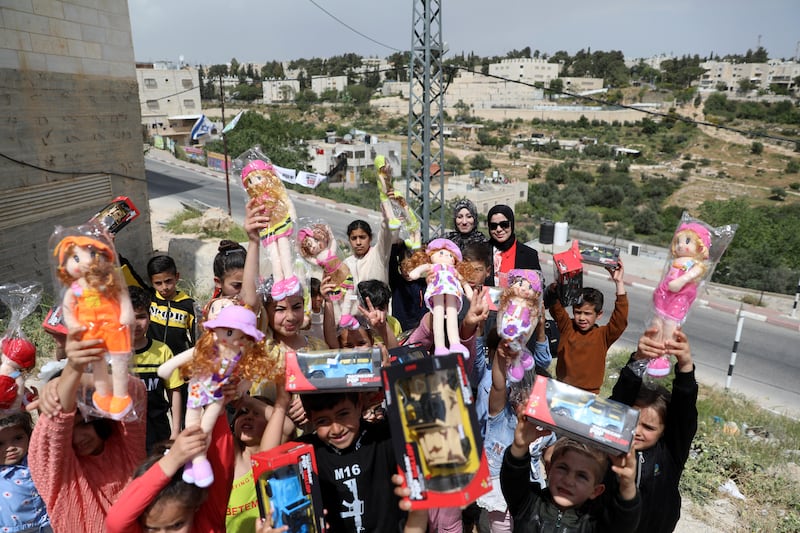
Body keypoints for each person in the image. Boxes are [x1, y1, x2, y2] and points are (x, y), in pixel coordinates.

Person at [28, 327, 147, 533]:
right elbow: (57, 423)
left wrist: (83, 380)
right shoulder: (57, 474)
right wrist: (73, 367)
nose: (76, 438)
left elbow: (135, 392)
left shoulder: (127, 450)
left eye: (83, 424)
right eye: (68, 430)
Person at [607, 327, 697, 533]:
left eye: (648, 427)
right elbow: (619, 404)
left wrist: (685, 365)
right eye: (633, 420)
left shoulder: (670, 453)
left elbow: (684, 413)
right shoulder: (611, 447)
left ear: (665, 431)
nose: (636, 431)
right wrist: (639, 359)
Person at [476, 329, 551, 532]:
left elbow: (552, 451)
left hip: (529, 494)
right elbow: (498, 386)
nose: (526, 403)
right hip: (500, 497)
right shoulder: (501, 416)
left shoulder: (544, 427)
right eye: (521, 396)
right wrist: (500, 360)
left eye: (535, 399)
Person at [105, 416, 235, 533]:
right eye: (151, 528)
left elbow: (221, 462)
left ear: (196, 508)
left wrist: (218, 405)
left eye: (177, 525)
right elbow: (115, 522)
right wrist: (172, 460)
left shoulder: (207, 521)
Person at [296, 392, 404, 532]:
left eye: (343, 414)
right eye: (323, 421)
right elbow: (262, 466)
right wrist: (281, 406)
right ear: (310, 418)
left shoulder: (384, 437)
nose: (336, 429)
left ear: (359, 405)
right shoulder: (304, 453)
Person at [500, 428, 640, 533]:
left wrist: (627, 484)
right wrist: (520, 446)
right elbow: (512, 478)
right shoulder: (528, 504)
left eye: (582, 476)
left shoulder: (594, 523)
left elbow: (624, 523)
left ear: (595, 491)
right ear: (548, 469)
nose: (569, 480)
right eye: (562, 468)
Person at [548, 261, 628, 394]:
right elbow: (556, 308)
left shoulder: (603, 336)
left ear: (599, 315)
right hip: (561, 389)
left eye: (587, 313)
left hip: (589, 394)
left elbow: (620, 320)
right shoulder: (567, 327)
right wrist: (557, 287)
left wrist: (619, 282)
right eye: (578, 312)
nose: (582, 318)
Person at [227, 393, 295, 533]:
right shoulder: (235, 458)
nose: (248, 417)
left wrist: (247, 401)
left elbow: (287, 426)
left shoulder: (271, 455)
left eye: (257, 414)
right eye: (243, 412)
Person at [128, 285, 183, 452]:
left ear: (150, 318)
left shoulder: (162, 351)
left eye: (141, 317)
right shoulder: (113, 354)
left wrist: (175, 432)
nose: (136, 324)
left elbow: (175, 391)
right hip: (124, 431)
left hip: (158, 428)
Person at [0, 411, 51, 533]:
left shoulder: (36, 459)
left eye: (18, 438)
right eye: (0, 444)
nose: (10, 447)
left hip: (50, 526)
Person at [147, 255, 197, 355]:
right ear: (151, 282)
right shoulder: (148, 299)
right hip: (151, 358)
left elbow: (196, 339)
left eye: (168, 281)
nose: (164, 287)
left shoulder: (188, 305)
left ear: (177, 277)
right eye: (158, 283)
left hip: (177, 360)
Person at [485, 205, 541, 288]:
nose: (499, 229)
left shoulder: (529, 255)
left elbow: (537, 288)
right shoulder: (480, 252)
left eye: (504, 224)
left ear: (512, 224)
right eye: (493, 226)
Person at [344, 218, 394, 287]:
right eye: (354, 238)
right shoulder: (347, 263)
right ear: (349, 240)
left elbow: (386, 235)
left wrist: (386, 220)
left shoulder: (378, 254)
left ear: (370, 238)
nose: (358, 242)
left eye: (362, 237)